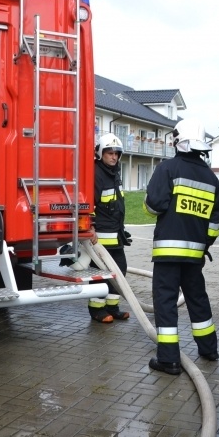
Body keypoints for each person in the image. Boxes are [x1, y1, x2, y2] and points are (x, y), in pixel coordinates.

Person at [144, 118, 219, 375]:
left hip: (168, 253)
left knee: (166, 302)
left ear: (179, 140)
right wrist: (203, 242)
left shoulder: (167, 168)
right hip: (196, 254)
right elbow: (215, 222)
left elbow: (154, 205)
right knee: (197, 299)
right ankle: (209, 349)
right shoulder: (212, 179)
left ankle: (168, 359)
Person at [87, 133, 131, 323]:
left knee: (120, 270)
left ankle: (112, 307)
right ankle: (96, 309)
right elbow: (89, 203)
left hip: (116, 234)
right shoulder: (96, 173)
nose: (114, 157)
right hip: (100, 236)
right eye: (110, 153)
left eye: (116, 153)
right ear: (101, 154)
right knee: (99, 274)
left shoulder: (114, 173)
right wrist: (90, 227)